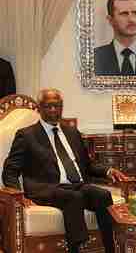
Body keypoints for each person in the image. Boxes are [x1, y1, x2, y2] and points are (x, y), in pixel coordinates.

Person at [2, 88, 128, 253]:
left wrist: (109, 171)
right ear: (40, 108)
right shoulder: (26, 135)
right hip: (46, 187)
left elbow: (88, 165)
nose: (53, 110)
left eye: (57, 106)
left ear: (62, 107)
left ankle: (111, 247)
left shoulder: (71, 132)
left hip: (77, 184)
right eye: (48, 106)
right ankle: (77, 247)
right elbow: (10, 170)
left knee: (102, 195)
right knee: (73, 197)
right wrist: (19, 195)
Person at [95, 0, 136, 76]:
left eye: (135, 13)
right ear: (110, 20)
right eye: (124, 14)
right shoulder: (95, 58)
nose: (132, 19)